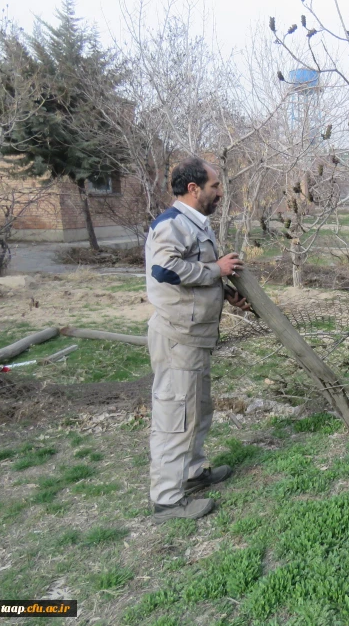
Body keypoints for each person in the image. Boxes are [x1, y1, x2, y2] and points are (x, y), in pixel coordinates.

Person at [145, 157, 249, 522]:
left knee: (197, 409)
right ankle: (167, 500)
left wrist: (223, 293)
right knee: (176, 415)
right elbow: (165, 270)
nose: (220, 192)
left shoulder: (195, 225)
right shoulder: (172, 225)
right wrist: (214, 270)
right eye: (215, 186)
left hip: (196, 337)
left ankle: (192, 474)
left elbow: (193, 278)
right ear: (194, 189)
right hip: (178, 338)